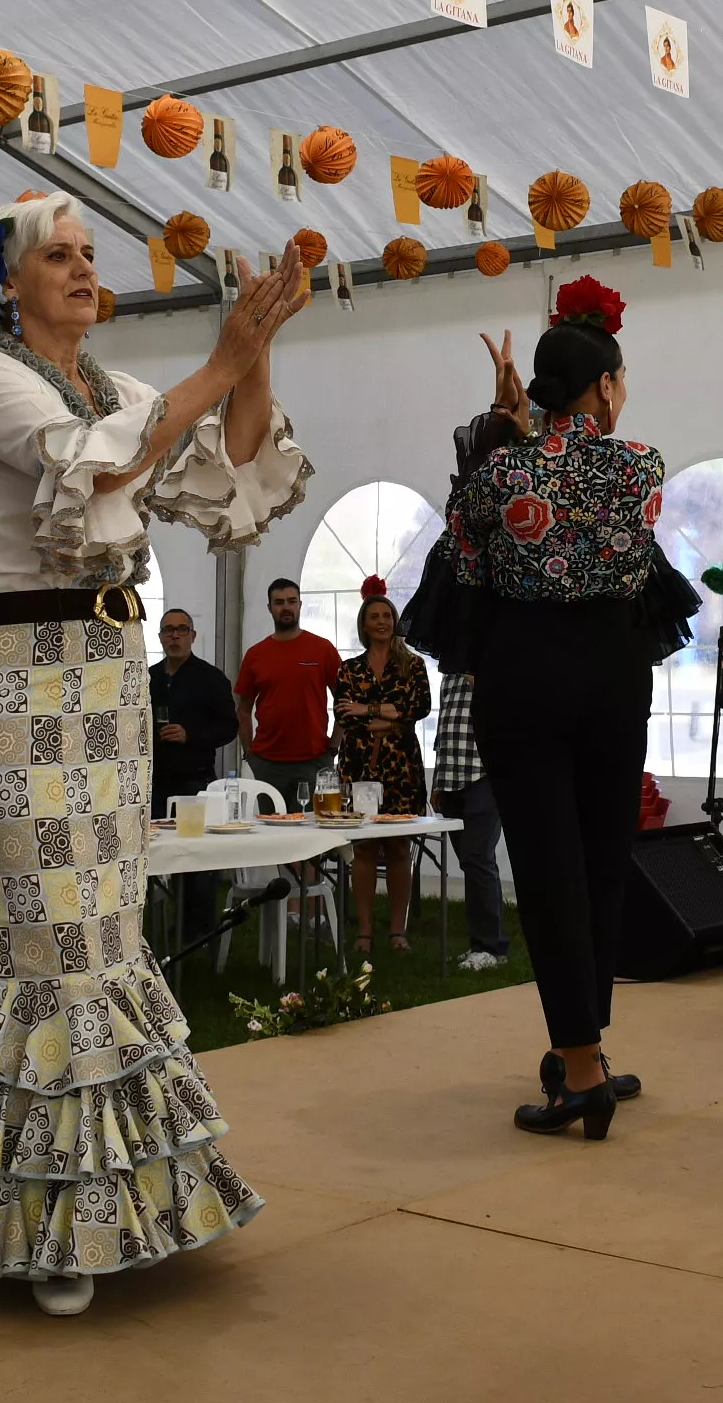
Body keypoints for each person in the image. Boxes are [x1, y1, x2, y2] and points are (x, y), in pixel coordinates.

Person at [0, 189, 307, 1317]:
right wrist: (217, 362)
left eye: (85, 252)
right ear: (8, 283)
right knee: (48, 932)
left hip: (107, 672)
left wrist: (254, 356)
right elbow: (93, 464)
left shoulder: (117, 386)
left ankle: (119, 1198)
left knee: (106, 927)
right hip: (15, 672)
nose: (78, 267)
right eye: (55, 255)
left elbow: (223, 479)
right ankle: (46, 1219)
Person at [453, 276, 679, 1138]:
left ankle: (578, 1064)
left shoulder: (494, 473)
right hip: (613, 669)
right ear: (607, 386)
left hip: (522, 671)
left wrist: (507, 436)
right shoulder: (639, 466)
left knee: (545, 867)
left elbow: (467, 571)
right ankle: (588, 1055)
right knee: (602, 859)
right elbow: (634, 557)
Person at [403, 337, 529, 974]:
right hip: (459, 739)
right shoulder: (463, 543)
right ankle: (486, 940)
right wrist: (505, 403)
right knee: (472, 853)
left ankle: (492, 944)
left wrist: (515, 408)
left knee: (482, 853)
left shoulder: (522, 541)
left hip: (499, 734)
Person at [333, 582, 430, 952]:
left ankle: (397, 931)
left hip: (401, 766)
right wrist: (390, 715)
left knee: (400, 847)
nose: (382, 621)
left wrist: (369, 710)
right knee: (365, 849)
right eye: (374, 616)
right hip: (358, 766)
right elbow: (345, 714)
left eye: (387, 615)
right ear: (364, 624)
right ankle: (364, 932)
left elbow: (418, 709)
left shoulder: (413, 665)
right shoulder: (349, 669)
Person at [236, 580, 338, 802]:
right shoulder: (255, 655)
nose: (286, 608)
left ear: (300, 605)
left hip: (314, 761)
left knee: (314, 832)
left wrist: (333, 747)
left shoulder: (323, 649)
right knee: (272, 833)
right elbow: (243, 710)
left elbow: (345, 701)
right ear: (269, 608)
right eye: (279, 602)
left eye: (292, 601)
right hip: (267, 764)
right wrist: (249, 753)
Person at [149, 609, 236, 812]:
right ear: (161, 637)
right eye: (168, 630)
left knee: (191, 840)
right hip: (154, 783)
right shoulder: (148, 677)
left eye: (182, 629)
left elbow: (229, 727)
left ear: (193, 636)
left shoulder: (212, 678)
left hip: (194, 781)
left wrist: (189, 734)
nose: (175, 636)